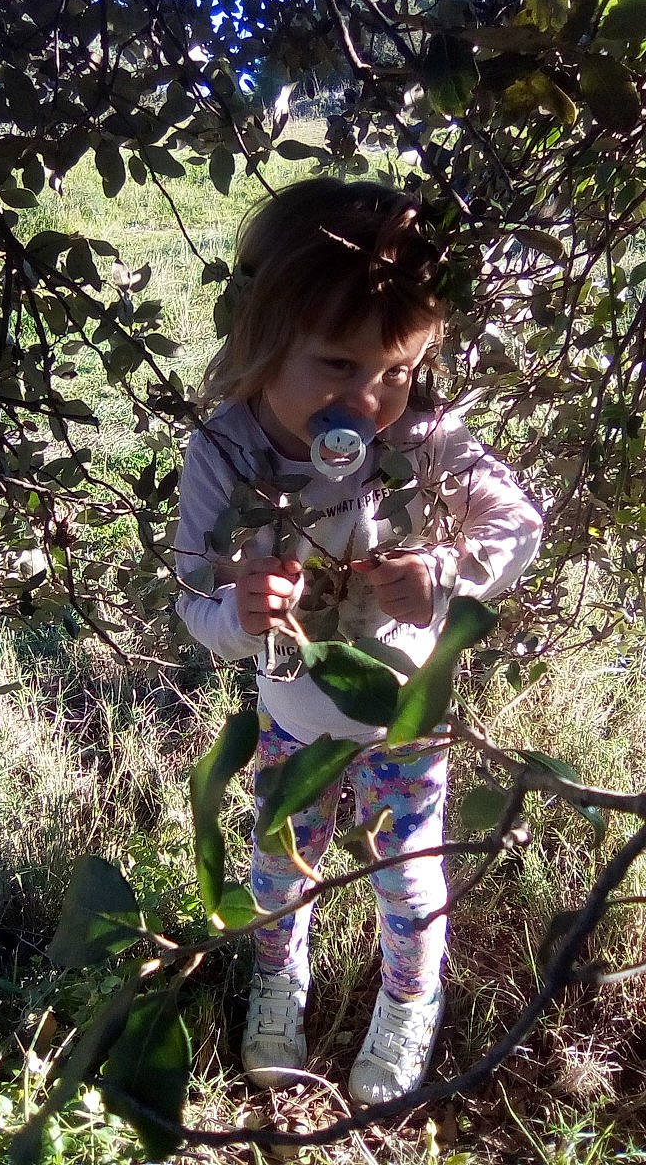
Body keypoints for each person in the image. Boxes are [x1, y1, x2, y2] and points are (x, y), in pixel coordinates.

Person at [175, 178, 542, 1106]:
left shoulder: (423, 439)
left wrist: (446, 576)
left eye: (396, 371)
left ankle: (410, 999)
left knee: (410, 882)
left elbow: (518, 525)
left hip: (404, 720)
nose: (368, 401)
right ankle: (276, 979)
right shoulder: (225, 456)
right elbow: (195, 598)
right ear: (262, 342)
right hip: (289, 718)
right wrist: (241, 615)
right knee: (273, 868)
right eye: (337, 367)